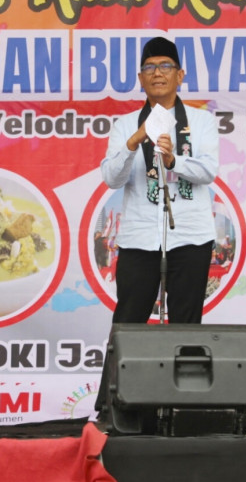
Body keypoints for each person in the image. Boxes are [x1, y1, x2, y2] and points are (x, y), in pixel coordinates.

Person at [95, 36, 219, 415]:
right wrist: (134, 141)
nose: (157, 73)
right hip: (139, 236)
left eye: (166, 66)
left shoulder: (201, 121)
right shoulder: (124, 125)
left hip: (191, 234)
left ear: (180, 75)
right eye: (149, 68)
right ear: (140, 78)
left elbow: (208, 171)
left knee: (187, 323)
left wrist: (173, 161)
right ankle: (114, 408)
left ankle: (187, 409)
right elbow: (111, 178)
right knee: (128, 321)